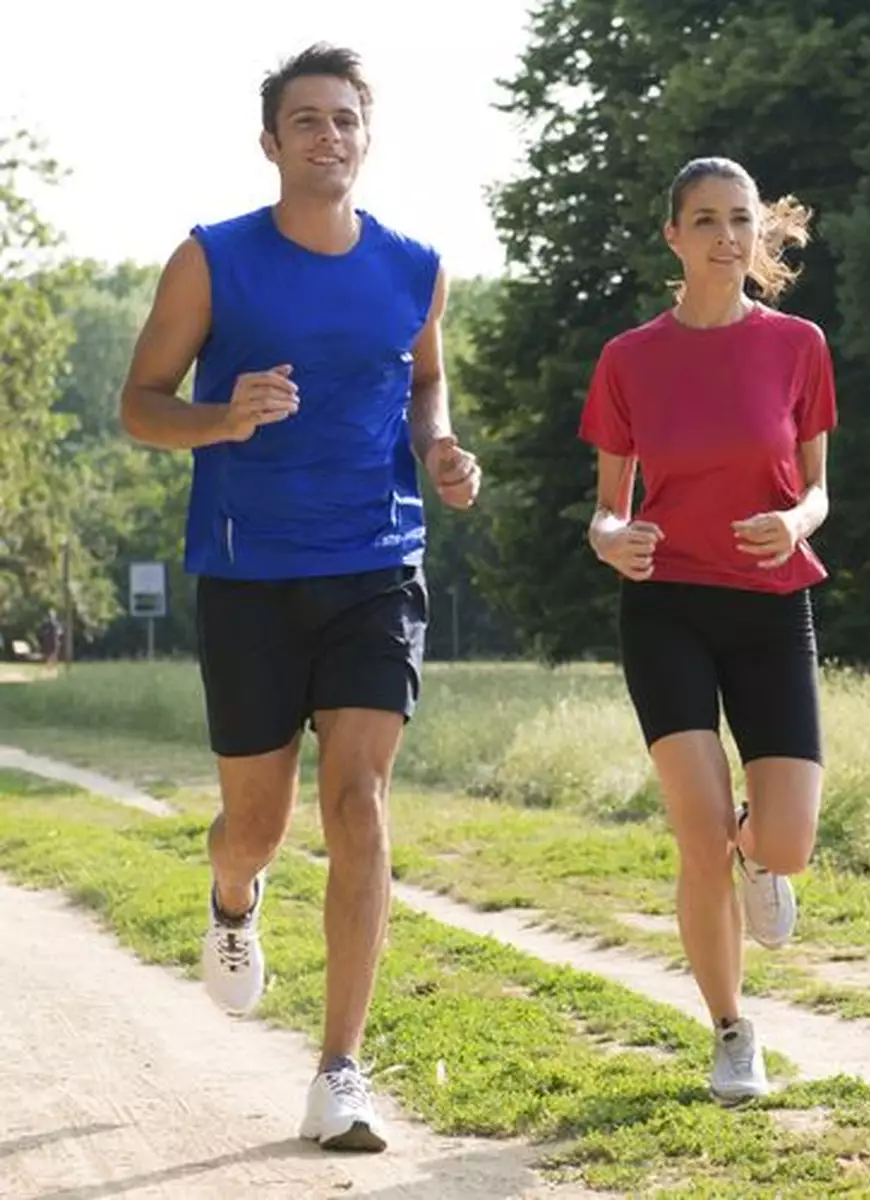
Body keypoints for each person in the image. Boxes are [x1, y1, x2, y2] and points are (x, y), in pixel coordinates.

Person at [120, 44, 480, 1151]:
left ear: (367, 137)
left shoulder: (416, 266)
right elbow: (140, 403)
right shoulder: (213, 260)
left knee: (359, 801)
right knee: (257, 827)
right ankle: (232, 901)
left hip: (377, 563)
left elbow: (423, 379)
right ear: (271, 141)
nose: (328, 135)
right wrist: (221, 417)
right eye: (306, 120)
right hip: (248, 573)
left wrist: (442, 445)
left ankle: (340, 1071)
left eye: (345, 119)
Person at [577, 156, 837, 1104]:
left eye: (741, 219)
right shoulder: (629, 359)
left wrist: (797, 523)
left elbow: (815, 488)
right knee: (697, 833)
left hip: (772, 602)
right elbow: (606, 508)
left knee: (789, 843)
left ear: (759, 232)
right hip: (668, 606)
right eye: (706, 220)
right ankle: (732, 1031)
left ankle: (761, 854)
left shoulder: (799, 345)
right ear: (674, 237)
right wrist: (614, 540)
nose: (727, 235)